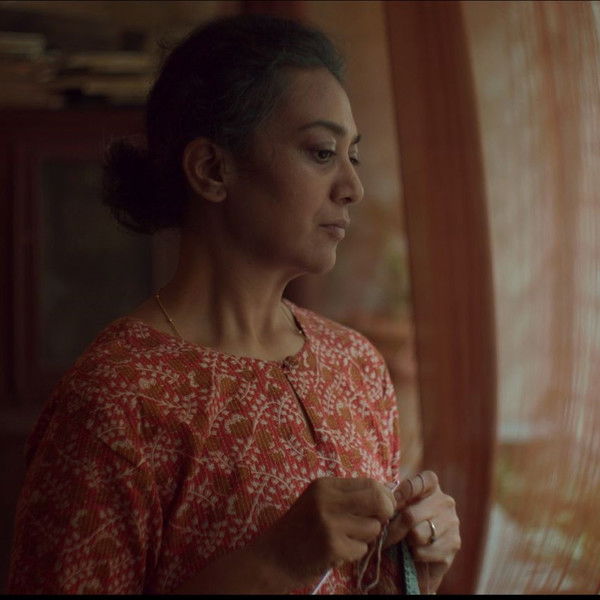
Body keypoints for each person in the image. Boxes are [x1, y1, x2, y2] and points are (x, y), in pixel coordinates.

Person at [7, 14, 460, 595]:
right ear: (212, 169)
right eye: (322, 152)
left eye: (354, 156)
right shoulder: (120, 400)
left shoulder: (356, 367)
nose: (353, 187)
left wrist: (417, 572)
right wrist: (275, 563)